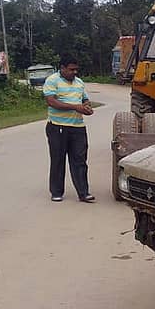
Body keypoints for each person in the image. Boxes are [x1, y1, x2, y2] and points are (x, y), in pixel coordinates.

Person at [42, 55, 95, 203]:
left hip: (78, 127)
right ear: (62, 68)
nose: (74, 72)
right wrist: (75, 107)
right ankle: (56, 192)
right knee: (58, 160)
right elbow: (51, 102)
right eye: (71, 69)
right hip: (57, 126)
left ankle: (83, 193)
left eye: (76, 69)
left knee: (80, 160)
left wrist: (87, 107)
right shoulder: (52, 80)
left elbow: (85, 99)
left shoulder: (79, 82)